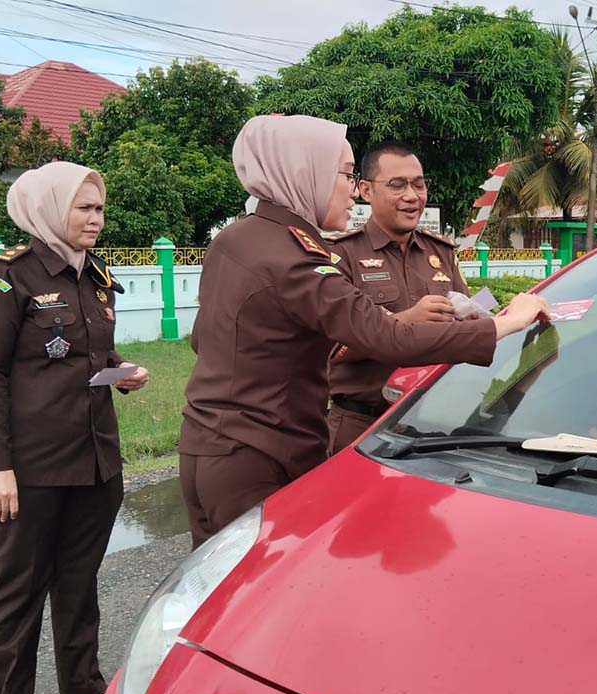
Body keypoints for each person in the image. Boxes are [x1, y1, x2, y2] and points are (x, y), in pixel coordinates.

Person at [179, 115, 548, 548]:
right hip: (260, 452)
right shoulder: (293, 255)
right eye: (346, 175)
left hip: (211, 446)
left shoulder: (238, 239)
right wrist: (508, 321)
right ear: (306, 174)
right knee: (264, 595)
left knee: (221, 592)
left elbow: (202, 339)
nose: (351, 189)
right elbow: (386, 339)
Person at [0, 162, 150, 694]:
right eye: (84, 208)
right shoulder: (9, 277)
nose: (96, 219)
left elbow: (89, 353)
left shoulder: (94, 274)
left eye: (99, 208)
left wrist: (121, 368)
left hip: (94, 460)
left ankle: (81, 687)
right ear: (49, 210)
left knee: (79, 582)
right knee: (15, 595)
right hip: (29, 467)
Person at [325, 141, 473, 454]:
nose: (411, 196)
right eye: (397, 185)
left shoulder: (441, 253)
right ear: (365, 190)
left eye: (419, 185)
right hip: (361, 425)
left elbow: (471, 316)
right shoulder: (342, 255)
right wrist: (401, 321)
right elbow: (328, 348)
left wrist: (483, 317)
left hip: (434, 424)